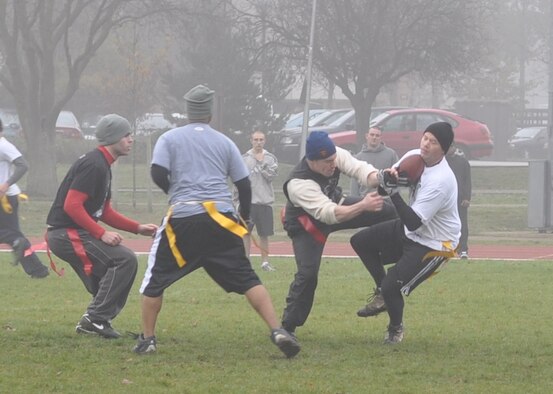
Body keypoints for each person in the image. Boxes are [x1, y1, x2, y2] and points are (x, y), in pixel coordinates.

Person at [134, 84, 300, 358]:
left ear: (187, 112)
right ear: (211, 114)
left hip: (184, 217)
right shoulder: (225, 142)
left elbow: (157, 171)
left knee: (155, 280)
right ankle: (277, 330)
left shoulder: (169, 138)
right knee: (247, 277)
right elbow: (244, 185)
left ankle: (148, 340)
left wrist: (173, 192)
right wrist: (244, 217)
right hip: (221, 219)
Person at [46, 114, 158, 339]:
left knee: (107, 277)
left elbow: (103, 211)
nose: (131, 139)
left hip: (71, 232)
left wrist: (137, 228)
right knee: (123, 260)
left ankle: (97, 320)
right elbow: (72, 205)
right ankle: (95, 320)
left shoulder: (103, 164)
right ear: (113, 137)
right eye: (126, 135)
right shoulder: (94, 164)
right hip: (65, 233)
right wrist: (101, 233)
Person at [350, 122, 461, 344]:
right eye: (425, 138)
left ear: (444, 149)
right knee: (360, 241)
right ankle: (383, 294)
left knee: (393, 285)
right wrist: (389, 178)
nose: (426, 144)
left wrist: (393, 192)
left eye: (434, 142)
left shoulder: (441, 180)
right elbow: (383, 188)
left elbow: (413, 222)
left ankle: (395, 328)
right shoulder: (413, 156)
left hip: (436, 244)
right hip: (415, 229)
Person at [281, 131, 397, 338]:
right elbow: (330, 215)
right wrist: (363, 205)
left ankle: (385, 288)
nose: (332, 165)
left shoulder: (334, 156)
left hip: (335, 205)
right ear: (311, 160)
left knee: (387, 210)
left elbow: (360, 170)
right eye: (326, 162)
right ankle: (288, 327)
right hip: (307, 225)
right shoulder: (298, 184)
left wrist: (380, 177)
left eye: (333, 160)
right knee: (308, 275)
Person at [0, 119, 49, 278]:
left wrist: (6, 184)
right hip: (6, 196)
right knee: (14, 234)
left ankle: (16, 242)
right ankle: (38, 271)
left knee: (11, 234)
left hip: (5, 197)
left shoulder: (4, 145)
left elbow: (23, 165)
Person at [241, 130, 278, 272]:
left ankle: (265, 262)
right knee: (245, 234)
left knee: (264, 235)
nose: (258, 142)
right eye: (256, 140)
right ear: (251, 140)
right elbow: (239, 181)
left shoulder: (270, 158)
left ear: (265, 141)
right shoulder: (244, 158)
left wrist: (261, 164)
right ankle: (246, 262)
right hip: (248, 203)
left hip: (264, 202)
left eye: (261, 140)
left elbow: (271, 176)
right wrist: (237, 201)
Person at [350, 126, 398, 197]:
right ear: (367, 136)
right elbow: (354, 184)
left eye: (377, 135)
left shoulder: (391, 154)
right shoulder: (359, 158)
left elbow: (397, 177)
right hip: (365, 201)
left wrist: (395, 197)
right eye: (372, 135)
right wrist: (355, 201)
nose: (374, 137)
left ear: (381, 137)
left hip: (386, 201)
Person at [446, 143, 472, 259]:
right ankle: (444, 249)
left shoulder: (463, 162)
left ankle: (463, 249)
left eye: (451, 146)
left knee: (462, 224)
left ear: (455, 147)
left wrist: (467, 197)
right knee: (443, 224)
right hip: (444, 199)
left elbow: (467, 181)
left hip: (460, 199)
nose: (449, 149)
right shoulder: (440, 162)